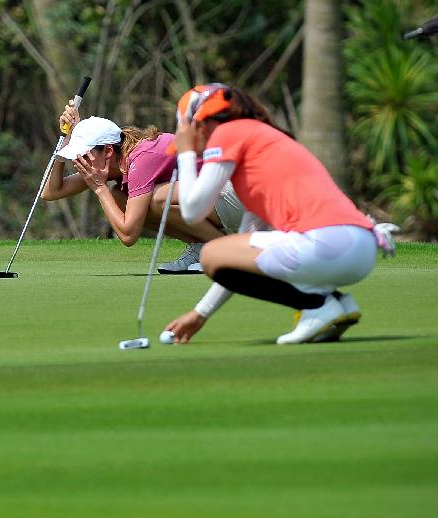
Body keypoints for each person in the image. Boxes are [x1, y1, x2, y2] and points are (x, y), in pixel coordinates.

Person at [163, 83, 398, 344]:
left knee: (209, 253)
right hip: (358, 251)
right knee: (224, 254)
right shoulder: (263, 145)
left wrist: (184, 154)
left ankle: (318, 305)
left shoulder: (227, 132)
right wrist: (200, 313)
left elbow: (193, 212)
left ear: (199, 123)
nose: (197, 150)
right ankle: (337, 303)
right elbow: (237, 260)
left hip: (326, 245)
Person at [40, 101, 246, 273]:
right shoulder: (115, 164)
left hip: (236, 193)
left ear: (108, 151)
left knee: (157, 199)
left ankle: (225, 251)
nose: (79, 161)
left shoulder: (141, 158)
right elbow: (51, 192)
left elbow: (129, 235)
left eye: (84, 154)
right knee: (120, 196)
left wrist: (100, 189)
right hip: (216, 200)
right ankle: (202, 246)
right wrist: (65, 141)